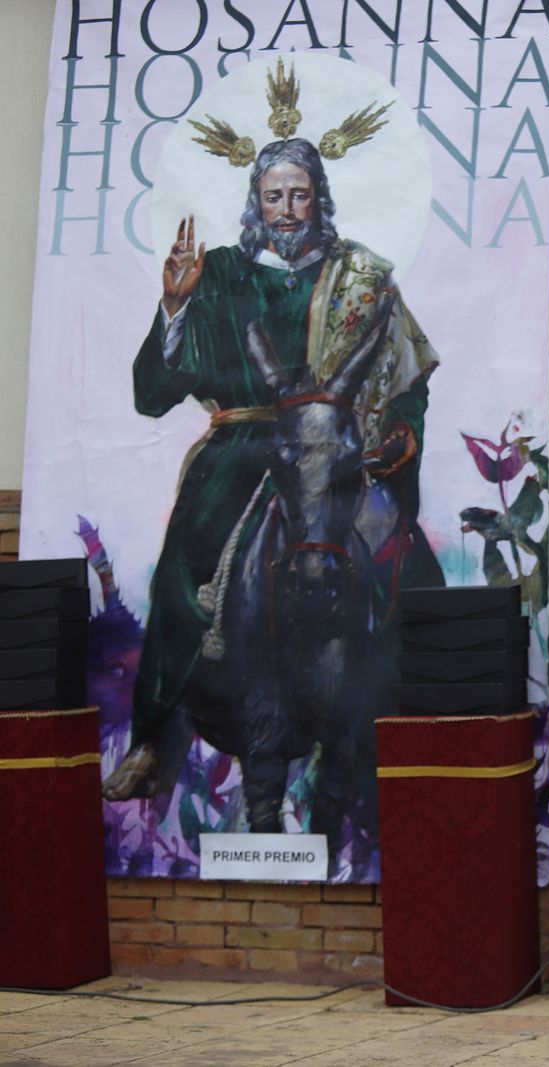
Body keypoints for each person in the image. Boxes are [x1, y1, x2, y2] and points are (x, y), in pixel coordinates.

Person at [103, 130, 442, 801]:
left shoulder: (359, 276)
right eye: (273, 196)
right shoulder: (224, 272)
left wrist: (401, 432)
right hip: (244, 448)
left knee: (408, 561)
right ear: (256, 202)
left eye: (299, 195)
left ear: (319, 200)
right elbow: (154, 394)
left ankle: (401, 742)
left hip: (335, 447)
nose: (287, 209)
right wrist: (175, 305)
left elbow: (408, 381)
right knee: (181, 566)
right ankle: (153, 733)